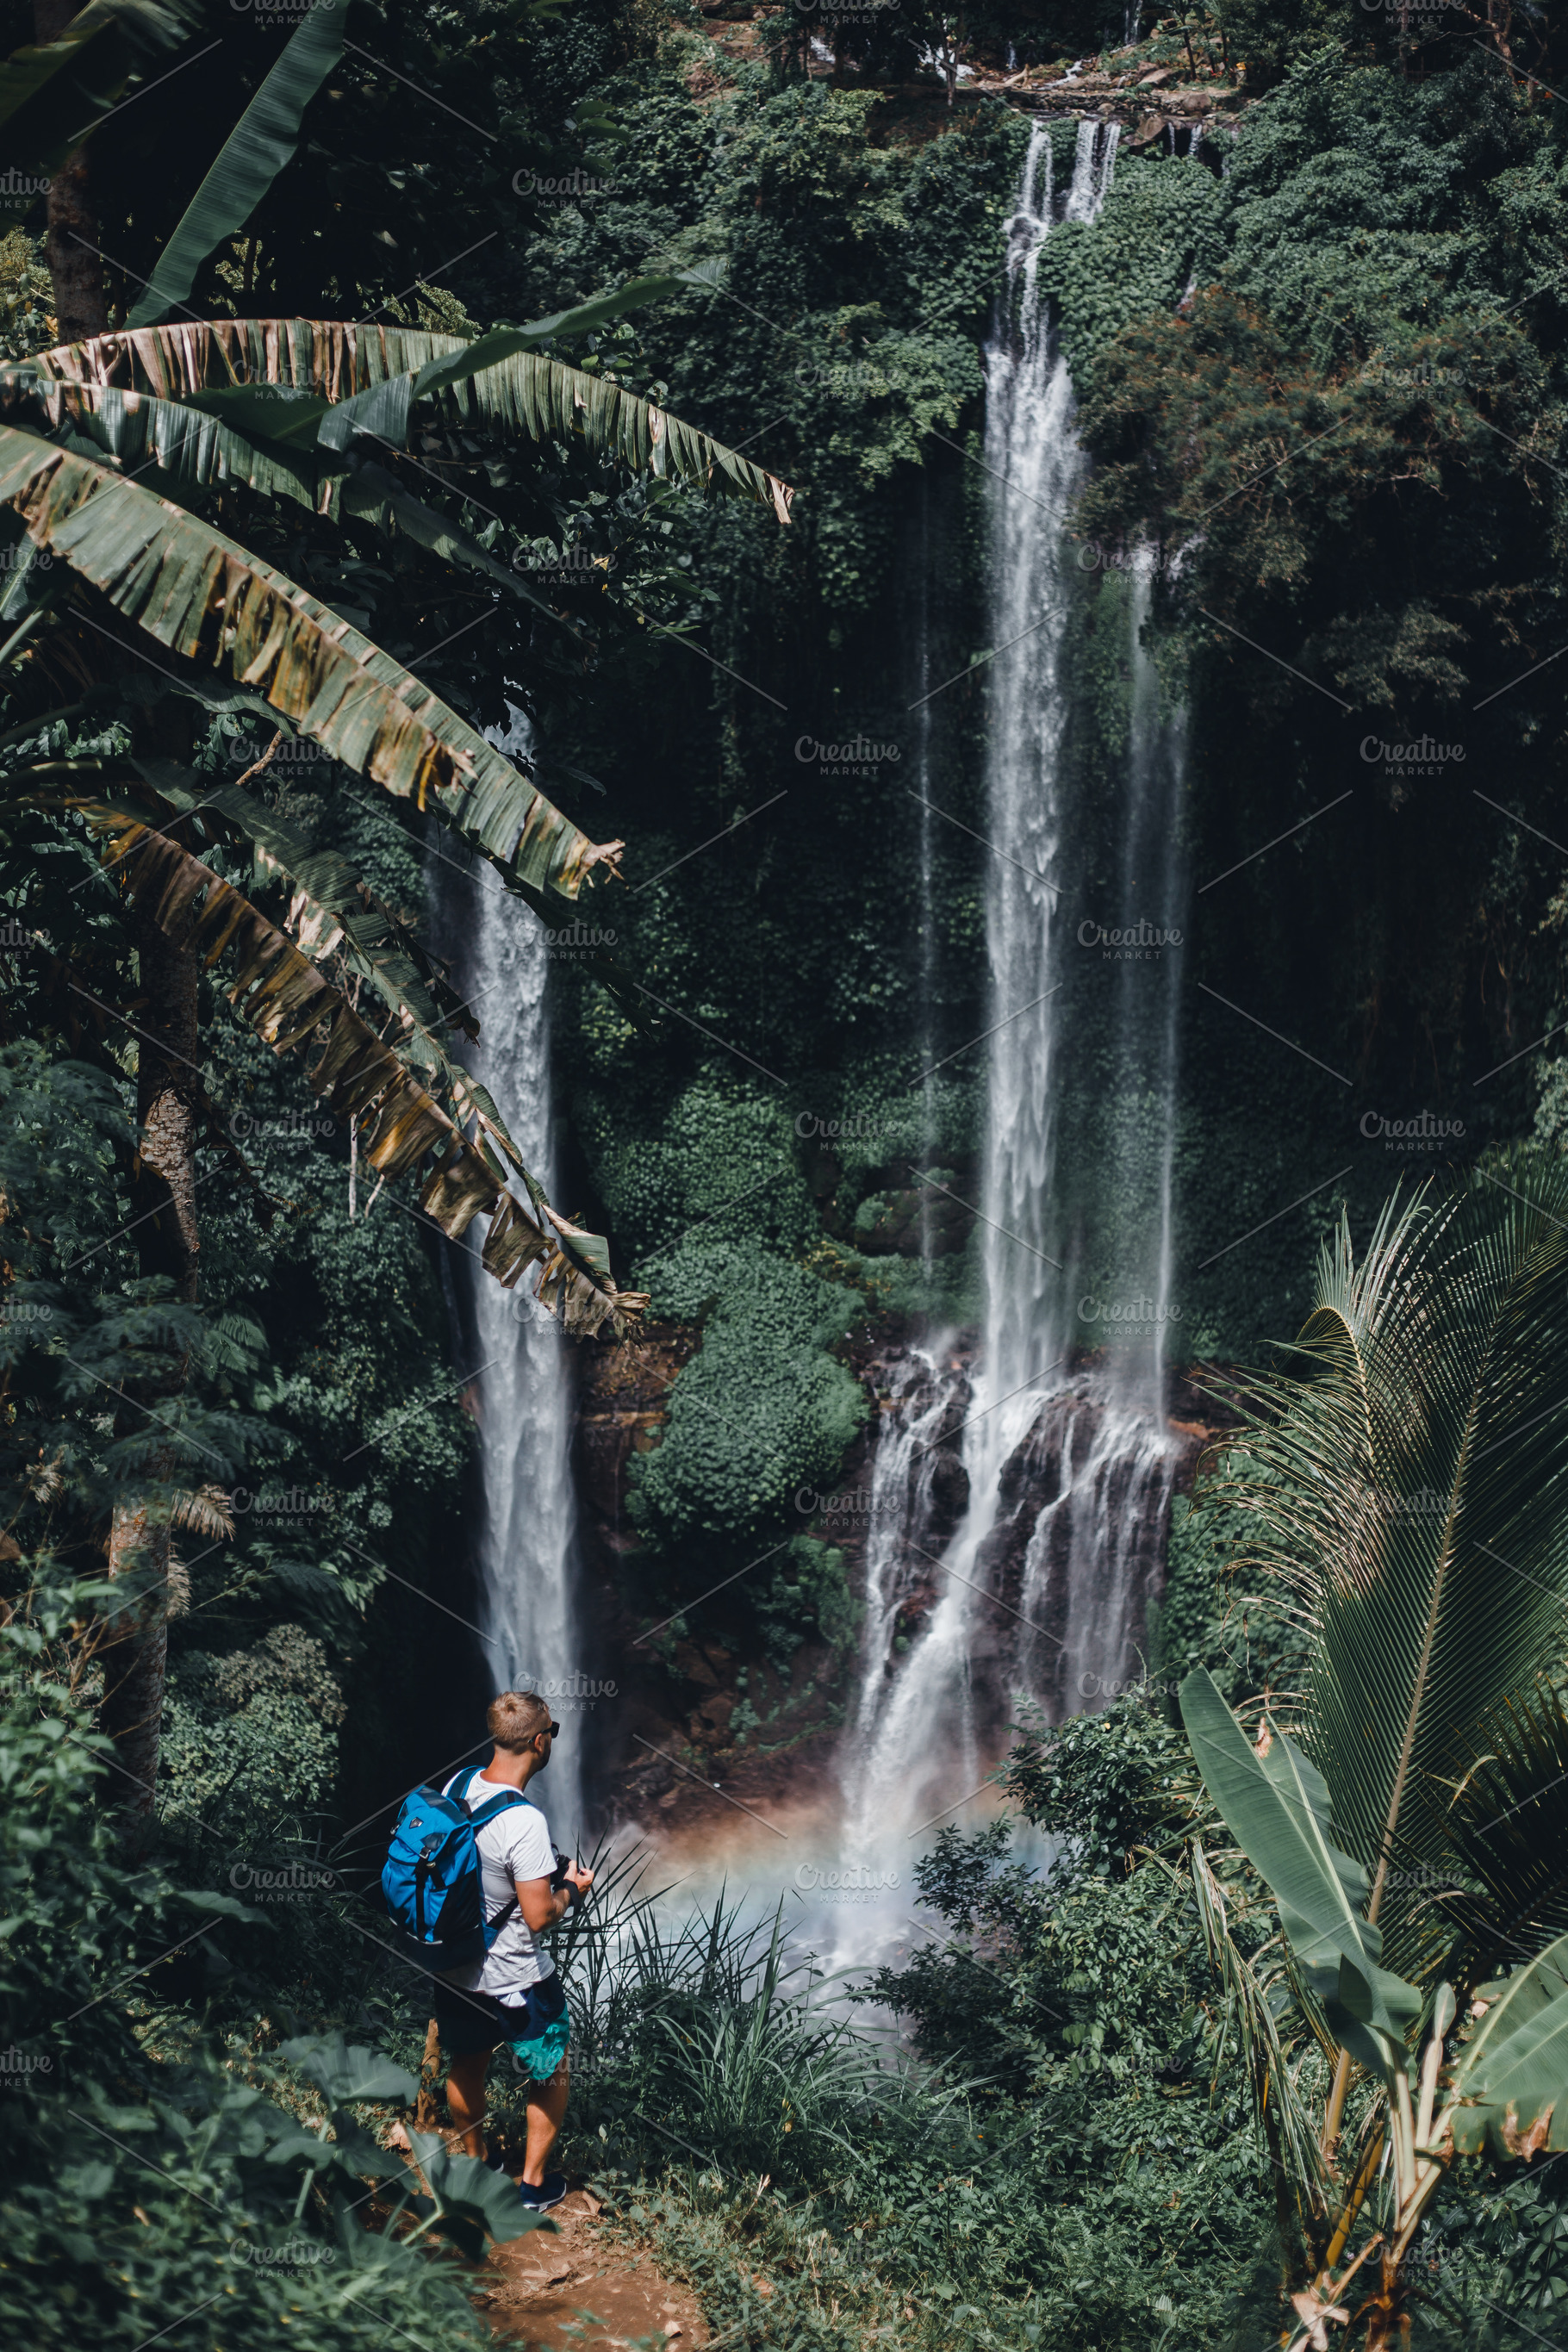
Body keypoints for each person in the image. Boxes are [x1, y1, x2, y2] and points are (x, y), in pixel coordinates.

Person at [434, 1690, 593, 2211]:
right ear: (540, 1741)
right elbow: (540, 1915)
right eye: (553, 1732)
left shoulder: (455, 1785)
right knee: (551, 2070)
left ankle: (478, 2167)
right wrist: (573, 1889)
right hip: (515, 1974)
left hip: (455, 1964)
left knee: (466, 2063)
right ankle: (532, 2186)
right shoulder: (525, 1821)